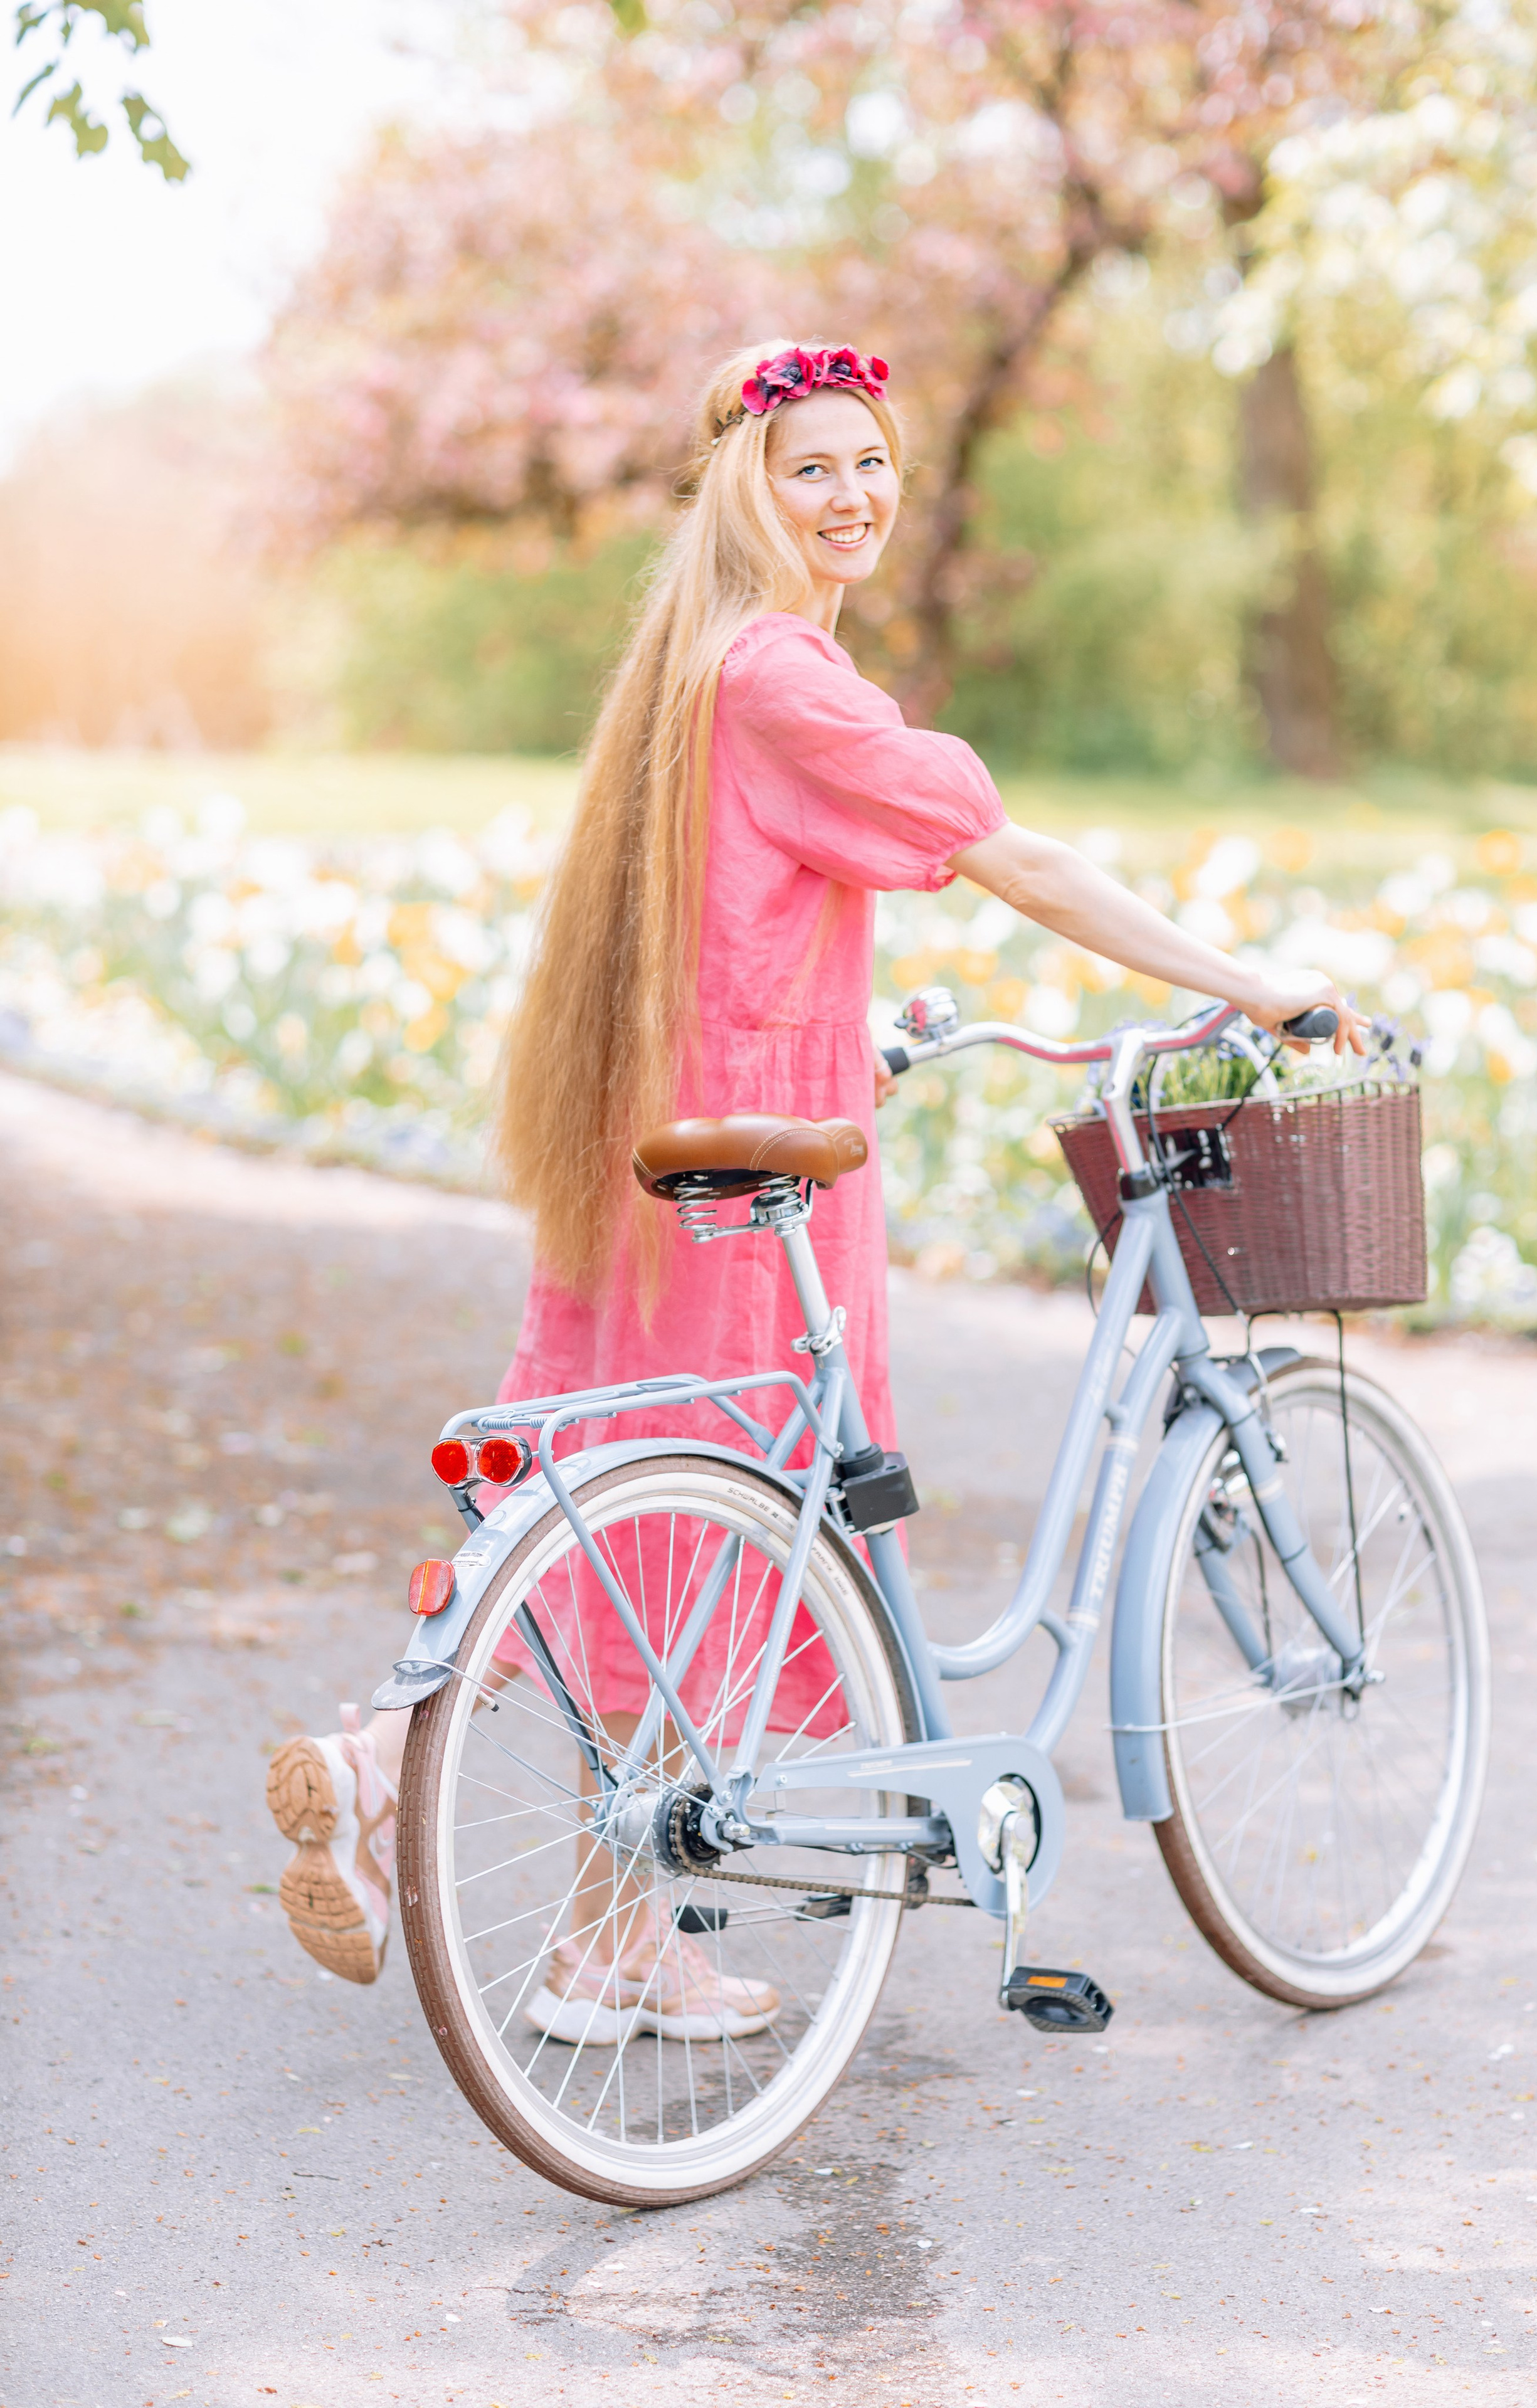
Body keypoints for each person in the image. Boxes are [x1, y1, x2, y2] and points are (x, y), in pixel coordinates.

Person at [267, 339, 1363, 2017]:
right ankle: (425, 1802)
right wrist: (1255, 982)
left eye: (873, 464)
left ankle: (564, 1911)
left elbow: (740, 920)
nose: (854, 495)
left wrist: (859, 1028)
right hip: (759, 1161)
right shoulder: (786, 675)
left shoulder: (695, 665)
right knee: (724, 1523)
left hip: (660, 1135)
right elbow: (1017, 862)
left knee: (624, 1505)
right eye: (813, 469)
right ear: (748, 491)